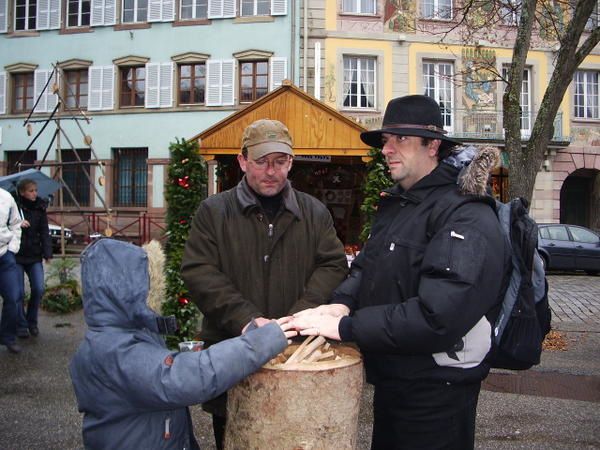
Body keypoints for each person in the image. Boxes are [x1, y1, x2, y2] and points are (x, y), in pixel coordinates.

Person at [291, 95, 511, 450]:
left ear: (433, 145)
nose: (387, 149)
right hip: (395, 381)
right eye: (385, 140)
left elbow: (437, 316)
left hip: (437, 392)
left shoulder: (464, 215)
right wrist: (342, 304)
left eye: (400, 139)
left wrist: (346, 328)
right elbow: (368, 265)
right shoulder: (402, 204)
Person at [181, 118, 348, 449]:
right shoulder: (214, 212)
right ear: (243, 161)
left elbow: (332, 264)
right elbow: (199, 271)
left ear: (291, 161)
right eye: (261, 161)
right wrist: (245, 320)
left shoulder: (314, 212)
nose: (271, 171)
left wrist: (302, 315)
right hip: (233, 358)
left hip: (298, 359)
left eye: (280, 161)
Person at [69, 238, 296, 450]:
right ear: (125, 290)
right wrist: (264, 340)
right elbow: (194, 376)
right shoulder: (116, 351)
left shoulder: (118, 334)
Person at [15, 179, 52, 338]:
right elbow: (5, 226)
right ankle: (21, 325)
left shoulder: (40, 208)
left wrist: (47, 253)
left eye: (36, 190)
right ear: (22, 192)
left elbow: (45, 231)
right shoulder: (14, 207)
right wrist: (18, 223)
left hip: (34, 255)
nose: (34, 193)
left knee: (38, 288)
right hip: (16, 255)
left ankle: (32, 322)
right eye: (31, 191)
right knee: (18, 293)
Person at [0, 187, 23, 354]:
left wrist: (12, 249)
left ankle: (7, 337)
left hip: (4, 255)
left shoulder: (6, 197)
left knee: (13, 297)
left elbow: (16, 223)